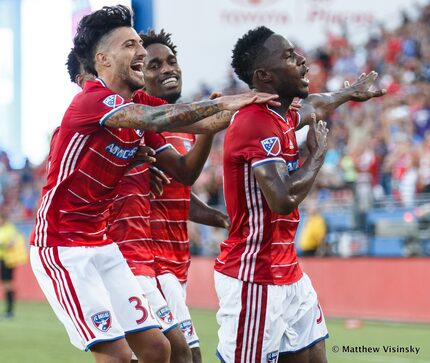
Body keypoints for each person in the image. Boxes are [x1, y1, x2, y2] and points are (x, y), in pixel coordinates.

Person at [29, 6, 279, 363]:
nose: (141, 53)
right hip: (63, 246)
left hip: (102, 244)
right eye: (130, 45)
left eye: (139, 45)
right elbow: (160, 117)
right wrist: (225, 103)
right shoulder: (93, 100)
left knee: (157, 349)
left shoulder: (136, 102)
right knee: (116, 354)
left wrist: (259, 108)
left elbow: (197, 128)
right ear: (103, 59)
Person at [214, 26, 385, 363]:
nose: (303, 61)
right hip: (254, 277)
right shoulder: (253, 122)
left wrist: (350, 92)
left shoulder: (284, 115)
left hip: (288, 271)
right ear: (265, 76)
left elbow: (319, 105)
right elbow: (282, 200)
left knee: (315, 357)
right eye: (289, 57)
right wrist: (317, 156)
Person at [139, 29, 230, 363]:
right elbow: (185, 173)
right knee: (185, 356)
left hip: (176, 260)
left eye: (172, 61)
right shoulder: (140, 121)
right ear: (138, 73)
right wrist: (209, 127)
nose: (168, 69)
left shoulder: (180, 126)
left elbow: (178, 193)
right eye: (154, 65)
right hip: (149, 259)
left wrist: (220, 219)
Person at [0, 207, 27, 320]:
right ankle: (8, 311)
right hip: (2, 260)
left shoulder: (10, 229)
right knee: (6, 285)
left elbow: (11, 244)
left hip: (7, 260)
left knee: (8, 285)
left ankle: (9, 311)